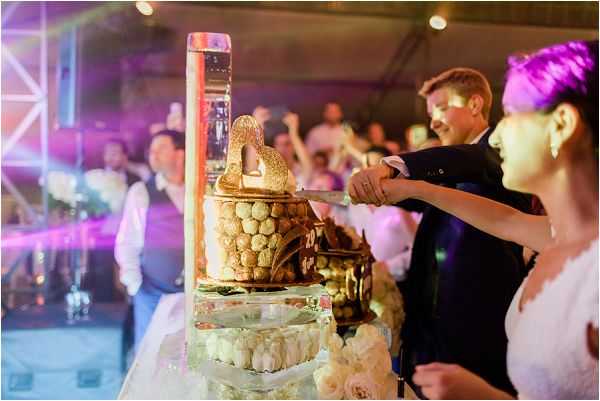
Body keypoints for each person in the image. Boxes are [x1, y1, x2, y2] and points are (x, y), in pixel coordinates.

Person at [362, 40, 598, 399]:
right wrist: (417, 189)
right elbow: (504, 220)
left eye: (511, 115)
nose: (498, 134)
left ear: (562, 124)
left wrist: (483, 396)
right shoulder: (558, 236)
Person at [349, 67, 531, 396]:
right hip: (436, 325)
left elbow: (470, 161)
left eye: (442, 108)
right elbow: (428, 198)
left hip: (479, 324)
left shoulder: (493, 152)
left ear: (475, 105)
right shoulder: (456, 163)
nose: (432, 122)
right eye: (431, 113)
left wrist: (392, 166)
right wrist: (384, 191)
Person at [115, 130, 185, 350]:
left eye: (161, 148)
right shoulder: (141, 191)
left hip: (193, 295)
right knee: (150, 356)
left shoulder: (199, 190)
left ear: (180, 153)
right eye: (151, 149)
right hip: (153, 292)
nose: (153, 154)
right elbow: (128, 240)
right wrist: (135, 285)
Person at [346, 146, 418, 281]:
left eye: (373, 167)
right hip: (360, 280)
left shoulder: (404, 205)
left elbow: (419, 249)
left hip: (394, 282)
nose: (367, 172)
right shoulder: (355, 206)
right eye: (365, 165)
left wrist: (388, 267)